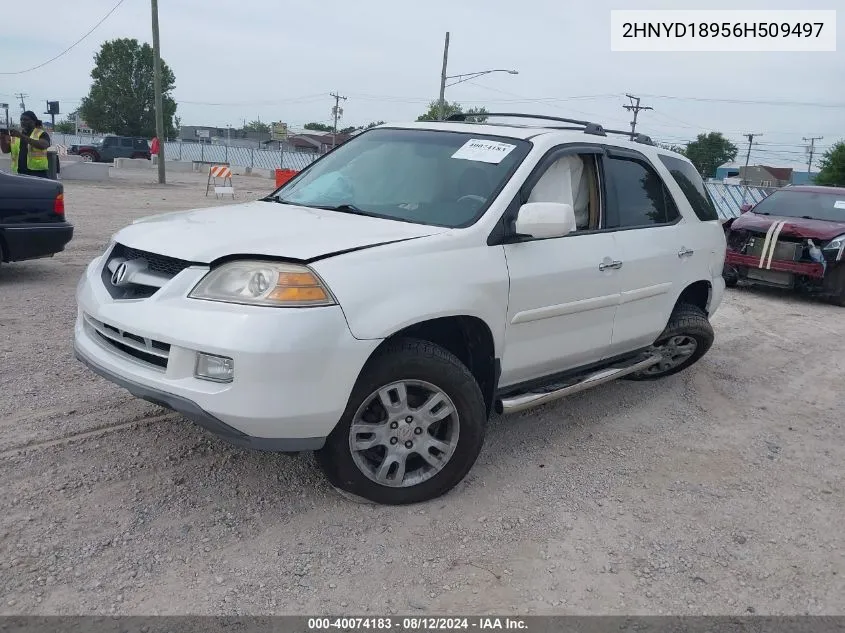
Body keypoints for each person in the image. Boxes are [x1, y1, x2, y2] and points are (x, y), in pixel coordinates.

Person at [0, 111, 51, 177]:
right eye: (21, 120)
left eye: (26, 120)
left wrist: (21, 136)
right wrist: (2, 138)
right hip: (19, 172)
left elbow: (43, 145)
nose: (22, 121)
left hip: (37, 173)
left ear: (34, 121)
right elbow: (5, 150)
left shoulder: (41, 133)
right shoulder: (16, 135)